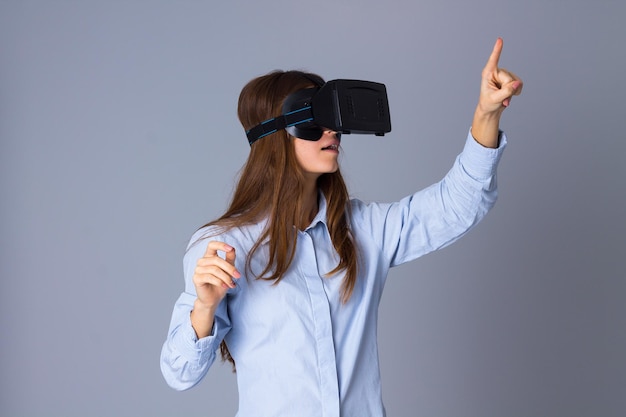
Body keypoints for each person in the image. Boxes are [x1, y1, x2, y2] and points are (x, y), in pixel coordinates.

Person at [161, 38, 522, 416]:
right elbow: (179, 373)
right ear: (276, 135)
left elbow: (458, 205)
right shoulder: (223, 247)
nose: (332, 130)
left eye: (333, 119)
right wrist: (204, 307)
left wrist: (486, 114)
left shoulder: (363, 230)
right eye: (314, 118)